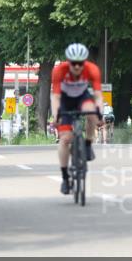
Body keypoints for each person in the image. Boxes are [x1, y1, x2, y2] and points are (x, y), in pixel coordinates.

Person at [51, 43, 103, 195]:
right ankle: (65, 178)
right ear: (68, 61)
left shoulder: (92, 69)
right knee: (65, 139)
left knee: (91, 112)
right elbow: (55, 97)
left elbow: (98, 96)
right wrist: (56, 115)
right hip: (65, 100)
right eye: (74, 63)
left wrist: (100, 113)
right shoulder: (59, 70)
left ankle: (87, 143)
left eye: (81, 63)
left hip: (82, 97)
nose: (78, 66)